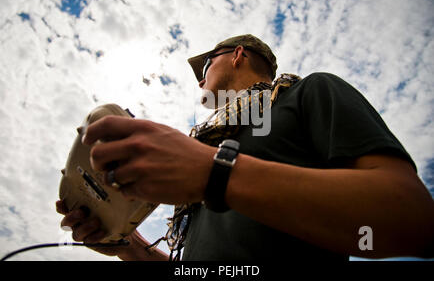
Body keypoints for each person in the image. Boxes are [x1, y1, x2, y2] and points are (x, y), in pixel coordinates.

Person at [56, 34, 434, 261]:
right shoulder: (206, 147)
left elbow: (413, 218)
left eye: (204, 67)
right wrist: (126, 245)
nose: (199, 80)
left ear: (238, 54)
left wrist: (215, 172)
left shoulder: (310, 94)